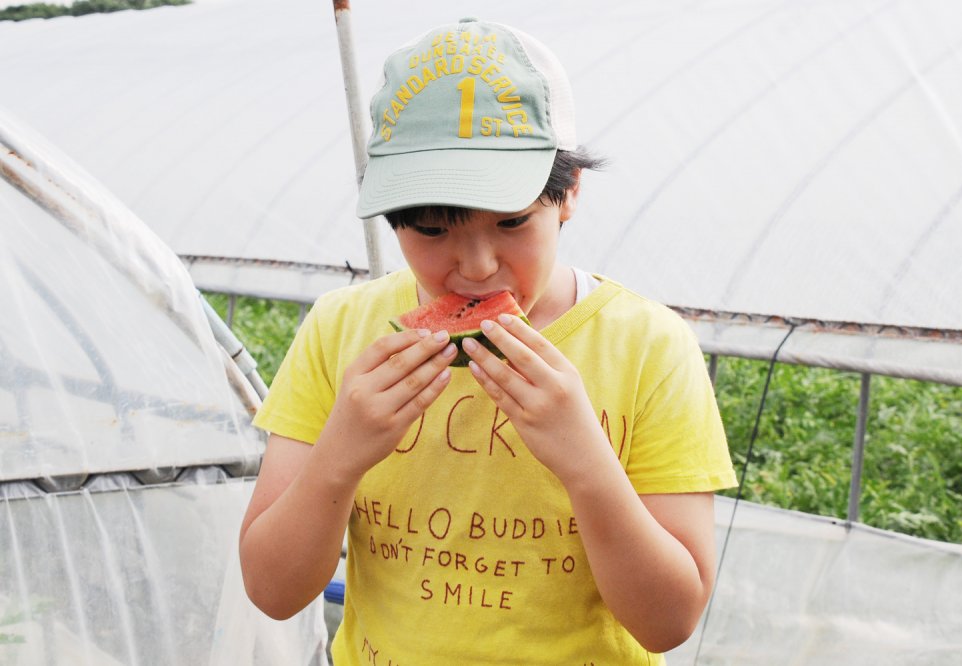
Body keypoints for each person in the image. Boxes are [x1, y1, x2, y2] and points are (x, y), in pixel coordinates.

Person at [239, 17, 737, 665]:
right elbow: (273, 591)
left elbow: (669, 623)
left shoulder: (649, 347)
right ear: (393, 222)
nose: (476, 267)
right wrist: (341, 454)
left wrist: (586, 464)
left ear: (569, 196)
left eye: (511, 222)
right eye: (430, 229)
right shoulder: (341, 330)